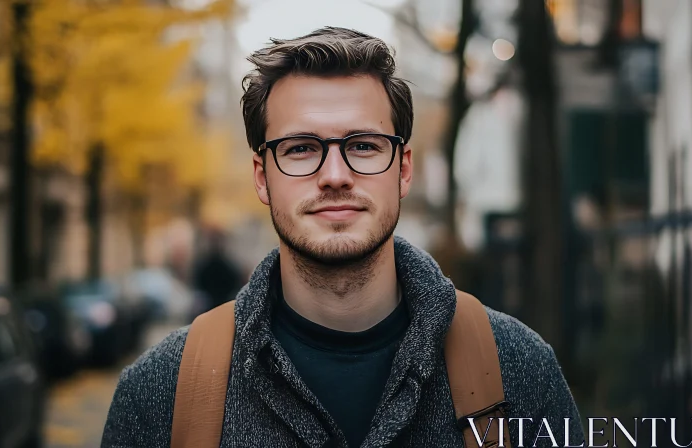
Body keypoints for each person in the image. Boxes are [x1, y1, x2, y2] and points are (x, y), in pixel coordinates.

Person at [101, 27, 585, 447]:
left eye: (364, 146)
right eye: (301, 148)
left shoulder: (516, 371)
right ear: (262, 176)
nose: (335, 175)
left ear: (403, 169)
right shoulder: (161, 394)